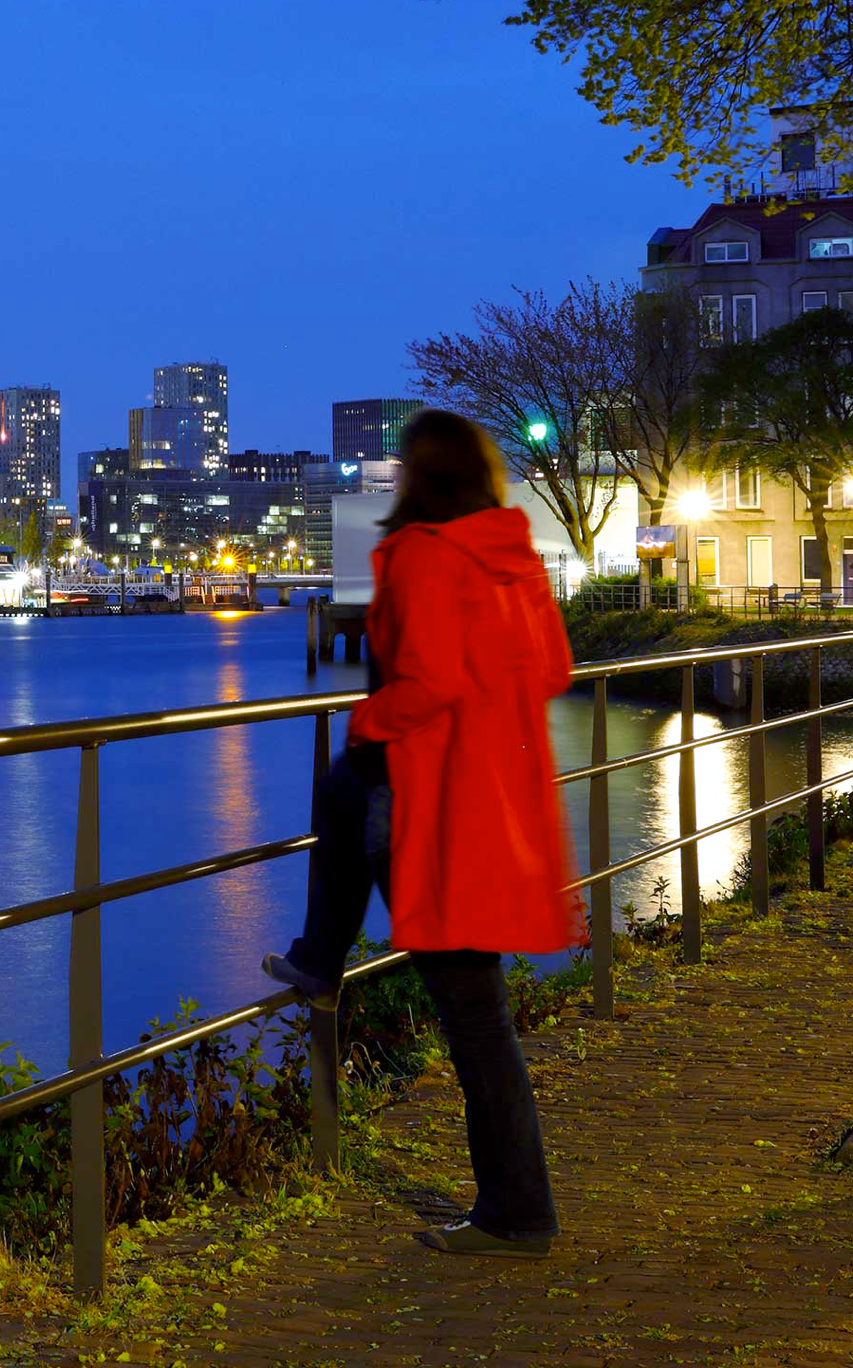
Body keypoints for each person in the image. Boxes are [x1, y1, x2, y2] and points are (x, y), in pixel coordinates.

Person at [262, 408, 578, 1258]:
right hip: (495, 797)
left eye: (401, 467)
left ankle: (518, 1215)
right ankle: (518, 1209)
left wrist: (371, 720)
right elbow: (552, 669)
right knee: (483, 1016)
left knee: (477, 1022)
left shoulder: (422, 556)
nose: (393, 479)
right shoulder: (512, 558)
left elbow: (428, 678)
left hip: (432, 800)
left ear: (421, 478)